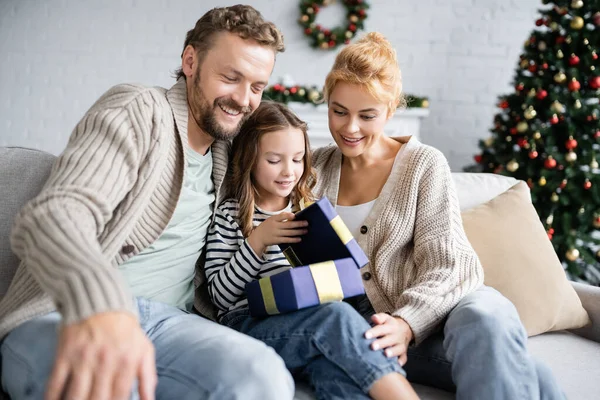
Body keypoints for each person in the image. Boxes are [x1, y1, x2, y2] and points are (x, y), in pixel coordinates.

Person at [0, 6, 295, 400]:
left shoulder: (229, 148)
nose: (243, 99)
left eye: (257, 86)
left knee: (264, 376)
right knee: (105, 384)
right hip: (66, 311)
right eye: (230, 77)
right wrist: (105, 309)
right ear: (190, 61)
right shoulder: (138, 110)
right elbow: (54, 216)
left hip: (171, 324)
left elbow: (303, 160)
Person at [311, 32, 566, 399]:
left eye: (367, 115)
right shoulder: (313, 167)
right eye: (339, 111)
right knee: (535, 377)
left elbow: (452, 267)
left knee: (486, 317)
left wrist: (406, 322)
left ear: (392, 108)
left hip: (449, 312)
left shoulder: (423, 164)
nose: (350, 129)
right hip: (379, 332)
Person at [204, 101, 419, 400]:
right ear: (249, 159)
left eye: (297, 159)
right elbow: (220, 297)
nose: (288, 171)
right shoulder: (231, 214)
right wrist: (258, 242)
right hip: (246, 325)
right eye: (274, 160)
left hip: (305, 323)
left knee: (333, 367)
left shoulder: (308, 210)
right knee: (335, 317)